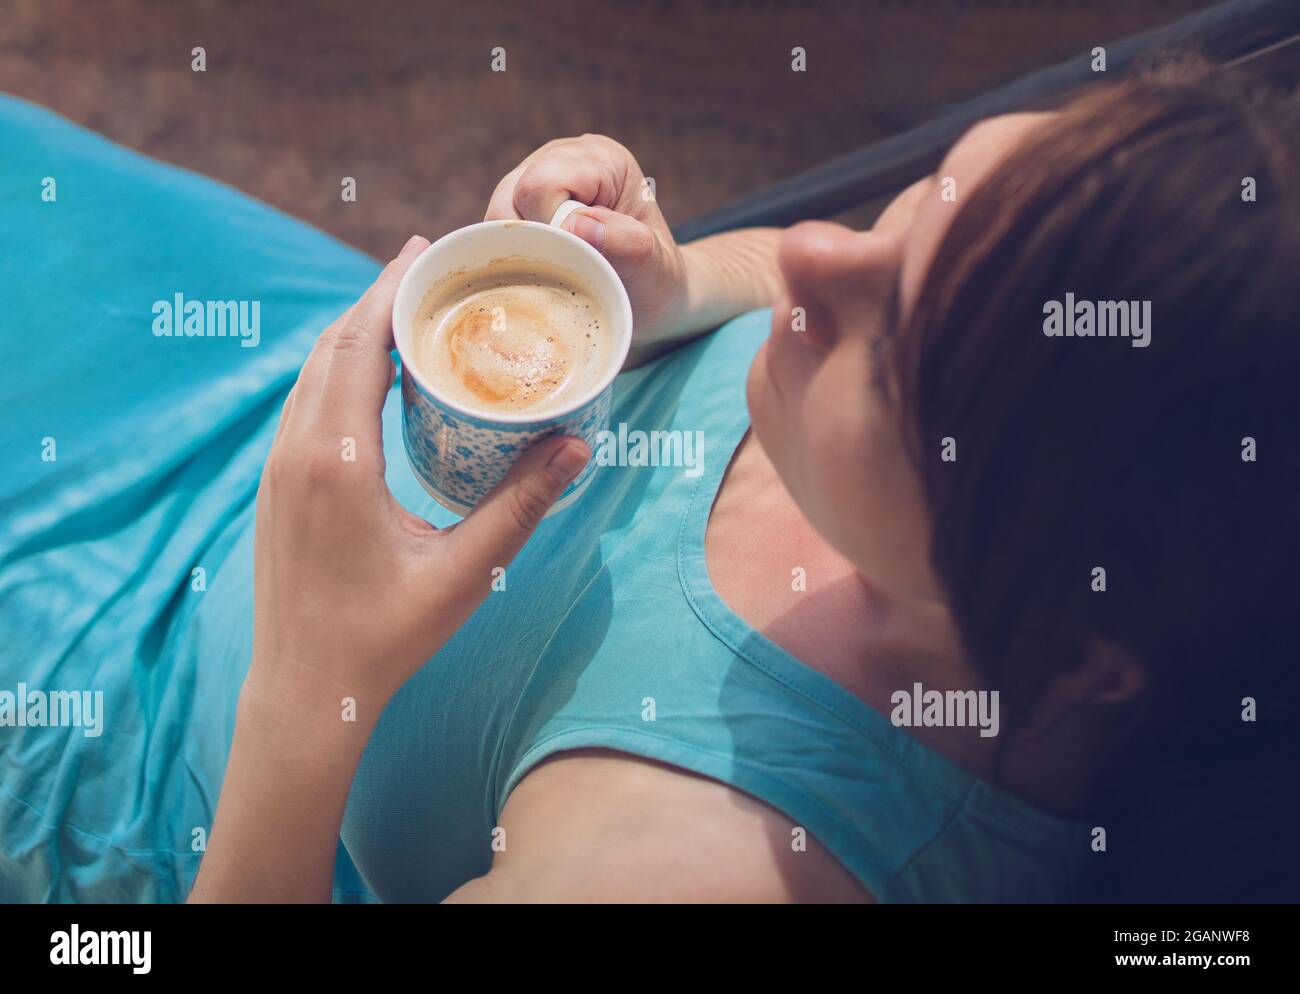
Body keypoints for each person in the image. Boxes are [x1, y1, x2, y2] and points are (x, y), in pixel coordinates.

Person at [1, 61, 1294, 903]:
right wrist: (669, 285)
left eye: (893, 358)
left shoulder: (720, 864)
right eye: (910, 204)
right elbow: (765, 281)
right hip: (260, 356)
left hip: (128, 734)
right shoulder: (985, 493)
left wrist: (305, 673)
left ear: (1085, 644)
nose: (807, 253)